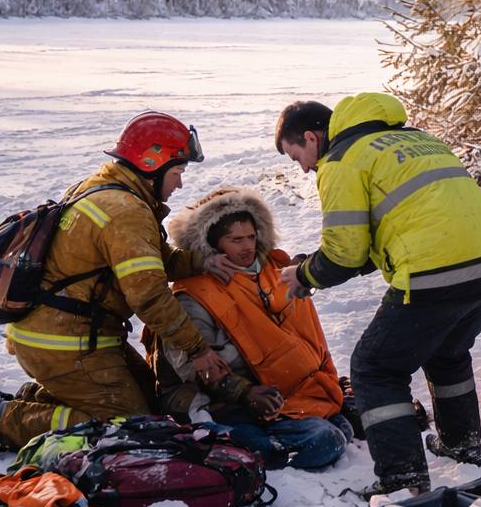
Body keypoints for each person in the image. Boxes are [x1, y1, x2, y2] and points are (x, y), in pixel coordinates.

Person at [274, 94, 481, 496]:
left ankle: (402, 477)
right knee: (447, 351)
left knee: (374, 368)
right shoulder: (416, 139)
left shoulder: (341, 160)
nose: (303, 168)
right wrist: (317, 263)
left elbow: (345, 252)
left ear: (311, 137)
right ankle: (461, 444)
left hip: (433, 271)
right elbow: (396, 230)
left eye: (295, 155)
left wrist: (305, 274)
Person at [0, 112, 238, 455]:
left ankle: (39, 400)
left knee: (151, 405)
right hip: (65, 343)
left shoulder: (102, 188)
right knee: (126, 426)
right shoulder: (126, 212)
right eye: (178, 172)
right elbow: (149, 295)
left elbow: (153, 261)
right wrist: (197, 350)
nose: (179, 184)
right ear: (152, 164)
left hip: (68, 335)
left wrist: (202, 261)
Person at [151, 187, 352, 471]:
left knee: (341, 425)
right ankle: (252, 453)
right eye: (235, 240)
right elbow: (196, 369)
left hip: (274, 392)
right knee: (326, 440)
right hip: (219, 401)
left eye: (251, 237)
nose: (247, 247)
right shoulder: (192, 295)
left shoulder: (272, 271)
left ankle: (273, 440)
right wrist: (246, 394)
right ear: (213, 244)